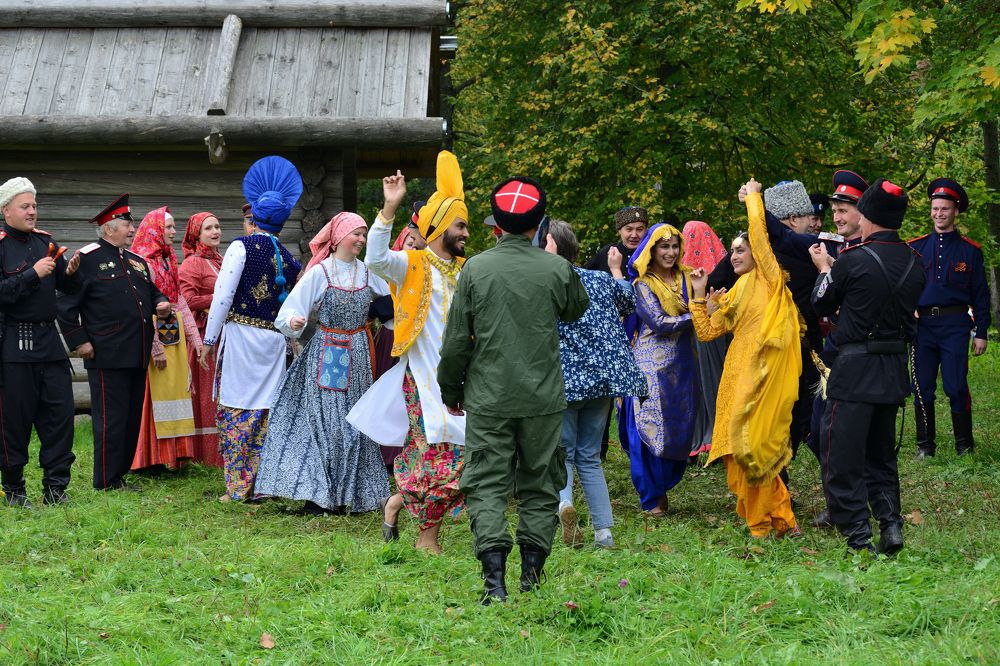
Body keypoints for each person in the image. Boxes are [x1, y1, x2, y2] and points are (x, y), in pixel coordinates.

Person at [438, 176, 589, 604]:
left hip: (488, 398)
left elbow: (456, 341)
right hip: (543, 399)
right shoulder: (557, 269)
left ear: (496, 224)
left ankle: (494, 584)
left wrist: (450, 390)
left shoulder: (475, 268)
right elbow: (576, 308)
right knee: (541, 483)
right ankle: (531, 577)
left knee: (486, 483)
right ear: (539, 224)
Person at [349, 154, 470, 552]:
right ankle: (427, 538)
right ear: (438, 227)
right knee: (439, 454)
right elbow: (375, 259)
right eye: (460, 225)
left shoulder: (467, 271)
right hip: (420, 378)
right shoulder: (412, 265)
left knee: (460, 455)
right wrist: (389, 208)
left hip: (463, 382)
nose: (466, 232)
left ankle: (397, 502)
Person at [810, 179, 925, 553]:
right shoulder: (915, 260)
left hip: (854, 373)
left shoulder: (852, 259)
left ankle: (859, 538)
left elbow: (821, 302)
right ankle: (891, 526)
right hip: (892, 371)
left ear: (869, 215)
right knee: (881, 456)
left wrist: (825, 269)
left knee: (840, 457)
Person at [254, 212, 391, 514]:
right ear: (339, 236)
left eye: (364, 234)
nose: (361, 239)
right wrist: (295, 320)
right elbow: (289, 312)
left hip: (359, 353)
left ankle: (353, 494)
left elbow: (393, 302)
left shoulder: (368, 273)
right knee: (328, 421)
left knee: (355, 420)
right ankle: (321, 497)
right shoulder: (322, 273)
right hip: (328, 351)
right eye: (356, 233)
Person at [689, 179, 801, 539]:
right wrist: (699, 297)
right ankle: (783, 520)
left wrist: (753, 197)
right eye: (732, 251)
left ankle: (761, 527)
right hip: (735, 376)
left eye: (741, 250)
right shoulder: (736, 290)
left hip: (761, 377)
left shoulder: (769, 278)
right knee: (735, 452)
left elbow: (759, 234)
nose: (734, 255)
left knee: (752, 448)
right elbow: (708, 333)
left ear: (758, 254)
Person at [203, 156, 302, 502]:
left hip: (242, 340)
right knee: (265, 411)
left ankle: (237, 487)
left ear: (255, 217)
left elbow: (222, 296)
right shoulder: (290, 260)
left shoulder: (240, 247)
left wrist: (209, 340)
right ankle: (262, 485)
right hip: (274, 343)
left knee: (237, 407)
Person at [58, 194, 171, 491]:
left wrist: (161, 303)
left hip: (137, 352)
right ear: (109, 228)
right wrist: (79, 342)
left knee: (131, 418)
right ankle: (106, 480)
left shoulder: (136, 262)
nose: (133, 229)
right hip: (107, 353)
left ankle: (119, 474)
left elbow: (153, 293)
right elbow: (65, 305)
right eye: (127, 224)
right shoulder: (87, 259)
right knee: (111, 419)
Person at [546, 219, 646, 549]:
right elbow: (629, 302)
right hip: (604, 378)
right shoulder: (600, 279)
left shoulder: (547, 281)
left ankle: (564, 504)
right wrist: (616, 270)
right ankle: (604, 533)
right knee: (589, 456)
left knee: (563, 453)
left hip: (566, 379)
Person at [0, 177, 82, 506]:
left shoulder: (45, 241)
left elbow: (68, 289)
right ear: (6, 210)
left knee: (60, 417)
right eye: (25, 206)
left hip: (50, 343)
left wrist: (71, 273)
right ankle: (14, 490)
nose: (32, 211)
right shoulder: (1, 245)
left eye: (34, 205)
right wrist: (32, 274)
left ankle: (56, 488)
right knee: (14, 421)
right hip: (14, 346)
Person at [620, 223, 698, 517]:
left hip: (682, 365)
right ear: (652, 251)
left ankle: (662, 487)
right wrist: (700, 314)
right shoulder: (643, 284)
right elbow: (660, 324)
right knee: (647, 428)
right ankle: (652, 496)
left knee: (679, 424)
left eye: (675, 246)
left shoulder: (687, 278)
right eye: (664, 246)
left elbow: (706, 304)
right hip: (649, 369)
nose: (670, 252)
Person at [908, 178, 990, 457]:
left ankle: (964, 445)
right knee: (922, 387)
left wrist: (981, 331)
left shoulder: (970, 251)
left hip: (955, 325)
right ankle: (925, 446)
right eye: (935, 208)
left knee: (956, 386)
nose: (939, 214)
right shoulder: (916, 248)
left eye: (944, 209)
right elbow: (905, 287)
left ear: (956, 211)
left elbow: (980, 295)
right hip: (923, 327)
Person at [129, 207, 205, 472]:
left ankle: (173, 455)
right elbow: (141, 307)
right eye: (169, 227)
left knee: (174, 391)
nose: (174, 232)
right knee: (155, 396)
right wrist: (155, 347)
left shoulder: (168, 258)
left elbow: (178, 300)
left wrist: (196, 341)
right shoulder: (141, 262)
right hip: (153, 335)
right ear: (155, 230)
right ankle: (148, 459)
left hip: (173, 333)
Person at [178, 212, 225, 467]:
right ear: (197, 235)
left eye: (217, 226)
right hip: (204, 334)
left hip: (225, 334)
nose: (215, 231)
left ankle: (226, 449)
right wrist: (220, 298)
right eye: (208, 228)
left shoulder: (222, 260)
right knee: (207, 392)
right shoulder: (192, 264)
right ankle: (205, 454)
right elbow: (186, 300)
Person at [681, 220, 729, 459]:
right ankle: (717, 435)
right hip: (717, 334)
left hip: (697, 334)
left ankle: (705, 437)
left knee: (703, 382)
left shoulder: (681, 273)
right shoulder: (726, 266)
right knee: (715, 381)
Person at [584, 206, 648, 273]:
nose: (634, 235)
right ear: (619, 230)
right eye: (629, 229)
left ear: (646, 230)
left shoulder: (652, 254)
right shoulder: (607, 253)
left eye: (639, 229)